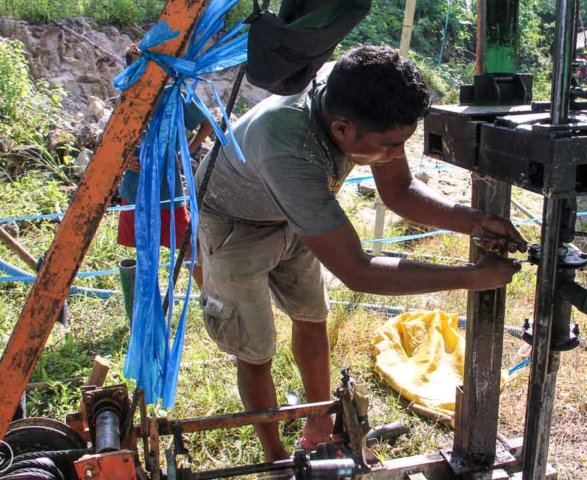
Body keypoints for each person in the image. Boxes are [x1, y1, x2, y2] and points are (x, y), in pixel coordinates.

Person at [194, 45, 527, 464]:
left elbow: (400, 191)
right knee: (255, 349)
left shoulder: (355, 91)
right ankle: (277, 459)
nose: (394, 153)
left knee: (312, 317)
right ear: (343, 131)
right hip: (232, 222)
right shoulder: (288, 147)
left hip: (292, 214)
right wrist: (468, 277)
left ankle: (319, 428)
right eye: (389, 146)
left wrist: (472, 220)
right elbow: (359, 271)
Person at [117, 45, 213, 288]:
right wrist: (126, 159)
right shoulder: (127, 99)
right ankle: (144, 305)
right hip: (134, 190)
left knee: (188, 247)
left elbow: (207, 123)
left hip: (168, 192)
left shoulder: (173, 96)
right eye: (138, 67)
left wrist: (187, 149)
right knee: (143, 251)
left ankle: (210, 298)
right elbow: (113, 141)